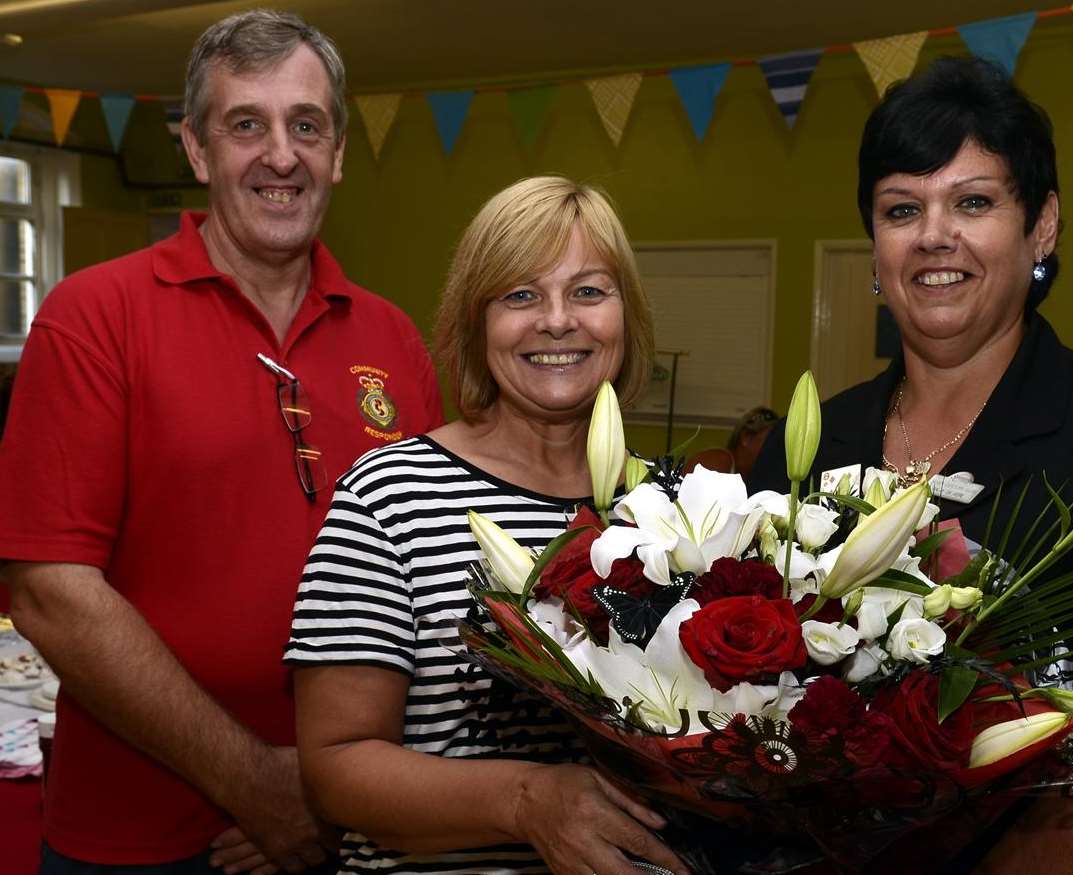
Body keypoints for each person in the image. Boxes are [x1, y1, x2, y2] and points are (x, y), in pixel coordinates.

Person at [0, 10, 442, 874]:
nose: (282, 155)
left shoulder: (394, 340)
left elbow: (431, 587)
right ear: (198, 152)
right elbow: (48, 588)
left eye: (306, 125)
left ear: (340, 152)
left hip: (357, 829)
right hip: (139, 841)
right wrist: (261, 785)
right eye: (247, 124)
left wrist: (337, 788)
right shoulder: (94, 317)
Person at [749, 57, 1073, 873]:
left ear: (1044, 225)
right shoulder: (808, 443)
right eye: (901, 208)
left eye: (975, 201)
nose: (933, 236)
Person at [286, 176, 690, 875]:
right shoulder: (388, 496)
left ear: (628, 316)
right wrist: (526, 798)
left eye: (589, 291)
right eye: (520, 295)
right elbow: (335, 766)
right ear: (477, 321)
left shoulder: (678, 509)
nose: (557, 320)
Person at [683, 406, 777, 478]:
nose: (774, 449)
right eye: (770, 441)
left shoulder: (748, 477)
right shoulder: (720, 460)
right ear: (747, 438)